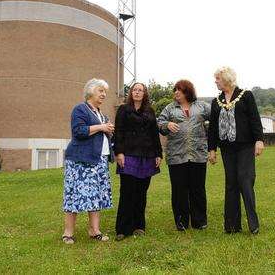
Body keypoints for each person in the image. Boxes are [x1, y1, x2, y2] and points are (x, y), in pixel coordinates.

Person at [208, 67, 265, 235]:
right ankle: (232, 226)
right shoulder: (216, 101)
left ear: (226, 79)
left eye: (217, 78)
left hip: (245, 146)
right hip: (227, 148)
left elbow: (255, 119)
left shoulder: (246, 95)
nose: (216, 81)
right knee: (231, 183)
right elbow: (212, 128)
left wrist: (259, 140)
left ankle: (253, 225)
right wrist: (212, 149)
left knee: (245, 181)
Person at [62, 78, 114, 244]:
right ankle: (68, 233)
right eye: (101, 91)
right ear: (90, 91)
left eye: (105, 91)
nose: (104, 94)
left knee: (96, 196)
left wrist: (108, 130)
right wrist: (101, 127)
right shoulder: (81, 109)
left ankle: (94, 230)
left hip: (99, 161)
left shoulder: (101, 114)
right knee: (74, 196)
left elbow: (102, 135)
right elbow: (78, 131)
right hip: (80, 161)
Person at [158, 80, 211, 231]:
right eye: (175, 90)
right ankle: (181, 221)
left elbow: (217, 115)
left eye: (178, 90)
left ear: (187, 91)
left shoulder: (202, 106)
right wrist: (166, 125)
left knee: (198, 189)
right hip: (176, 155)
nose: (175, 93)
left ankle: (199, 221)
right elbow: (160, 123)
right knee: (179, 190)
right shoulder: (169, 108)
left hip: (198, 154)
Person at [113, 83, 163, 241]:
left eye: (140, 90)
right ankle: (123, 228)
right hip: (128, 155)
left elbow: (155, 134)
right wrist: (119, 152)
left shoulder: (150, 110)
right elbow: (118, 132)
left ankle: (139, 226)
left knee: (141, 192)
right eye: (135, 90)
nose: (137, 92)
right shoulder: (123, 109)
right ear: (131, 93)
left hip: (147, 155)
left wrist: (158, 154)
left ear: (144, 93)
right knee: (127, 191)